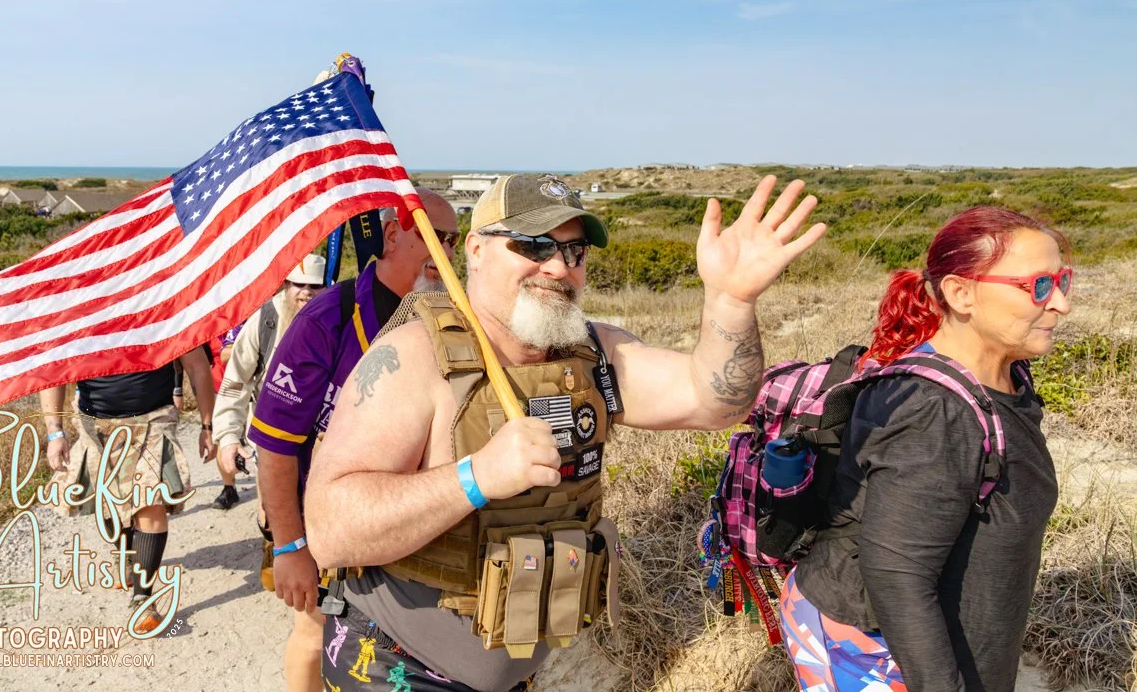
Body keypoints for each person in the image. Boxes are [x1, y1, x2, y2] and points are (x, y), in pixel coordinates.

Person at [304, 173, 825, 692]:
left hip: (527, 667)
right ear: (478, 252)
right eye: (533, 245)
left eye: (574, 251)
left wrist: (731, 302)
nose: (557, 266)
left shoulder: (594, 355)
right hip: (393, 667)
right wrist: (476, 476)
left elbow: (715, 402)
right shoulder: (412, 359)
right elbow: (330, 530)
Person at [782, 206, 1069, 692]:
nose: (1061, 302)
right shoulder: (933, 410)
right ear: (960, 293)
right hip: (876, 651)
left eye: (1063, 279)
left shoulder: (1005, 376)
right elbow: (897, 576)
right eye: (1039, 286)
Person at [229, 188, 458, 692]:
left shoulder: (445, 321)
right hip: (322, 518)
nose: (445, 254)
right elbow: (275, 444)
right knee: (315, 631)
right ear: (393, 235)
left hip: (403, 517)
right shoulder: (326, 320)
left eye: (453, 242)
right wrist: (291, 546)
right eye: (434, 238)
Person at [41, 345, 218, 634]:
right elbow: (52, 371)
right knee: (111, 502)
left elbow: (197, 366)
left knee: (150, 500)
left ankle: (143, 599)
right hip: (94, 424)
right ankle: (124, 553)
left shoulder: (164, 303)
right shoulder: (78, 311)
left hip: (154, 419)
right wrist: (55, 433)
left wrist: (208, 426)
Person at [211, 254, 326, 511]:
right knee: (276, 517)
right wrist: (228, 437)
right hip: (272, 440)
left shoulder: (336, 318)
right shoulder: (264, 322)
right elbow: (235, 381)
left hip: (323, 441)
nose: (306, 292)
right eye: (299, 284)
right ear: (286, 284)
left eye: (314, 286)